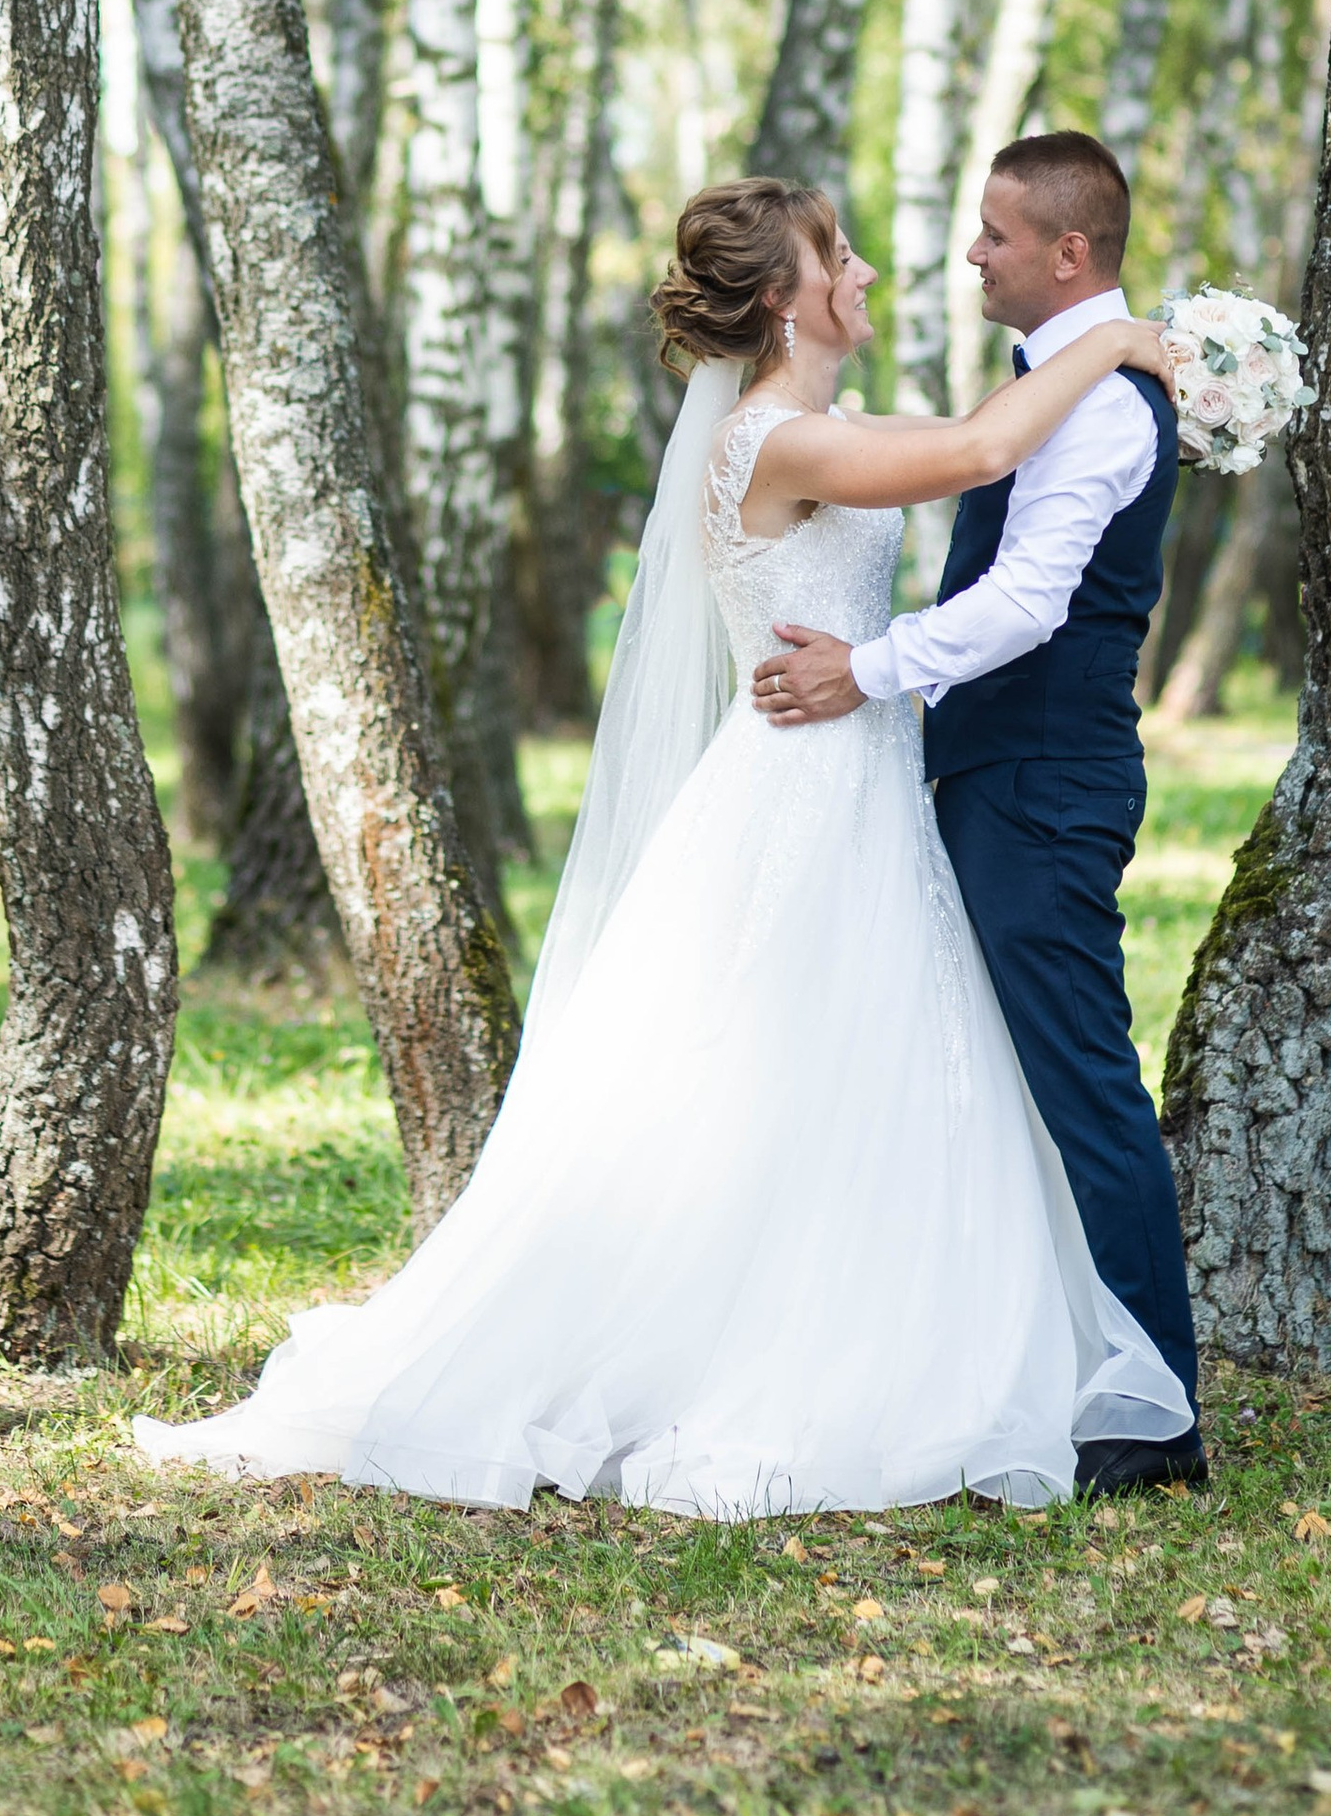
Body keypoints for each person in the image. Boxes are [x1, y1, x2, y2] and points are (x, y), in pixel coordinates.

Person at [134, 171, 1196, 1515]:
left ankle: (863, 1326)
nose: (867, 270)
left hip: (862, 778)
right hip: (803, 785)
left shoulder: (827, 427)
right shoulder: (775, 444)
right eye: (838, 255)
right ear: (784, 301)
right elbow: (986, 452)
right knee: (757, 1078)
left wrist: (1116, 360)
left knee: (843, 1076)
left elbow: (987, 432)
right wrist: (1120, 338)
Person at [753, 130, 1207, 1492]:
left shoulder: (1106, 407)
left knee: (1082, 1084)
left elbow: (1027, 603)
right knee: (1001, 1084)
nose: (971, 254)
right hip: (991, 774)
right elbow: (967, 461)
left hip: (1044, 784)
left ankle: (1154, 1421)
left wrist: (867, 670)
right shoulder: (1054, 384)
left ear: (1067, 250)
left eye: (996, 234)